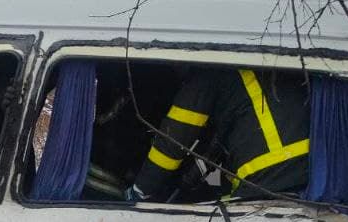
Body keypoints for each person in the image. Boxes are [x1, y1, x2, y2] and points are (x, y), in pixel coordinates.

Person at [129, 67, 310, 202]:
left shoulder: (208, 73)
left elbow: (174, 138)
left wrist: (142, 189)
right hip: (315, 177)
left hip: (268, 181)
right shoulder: (269, 69)